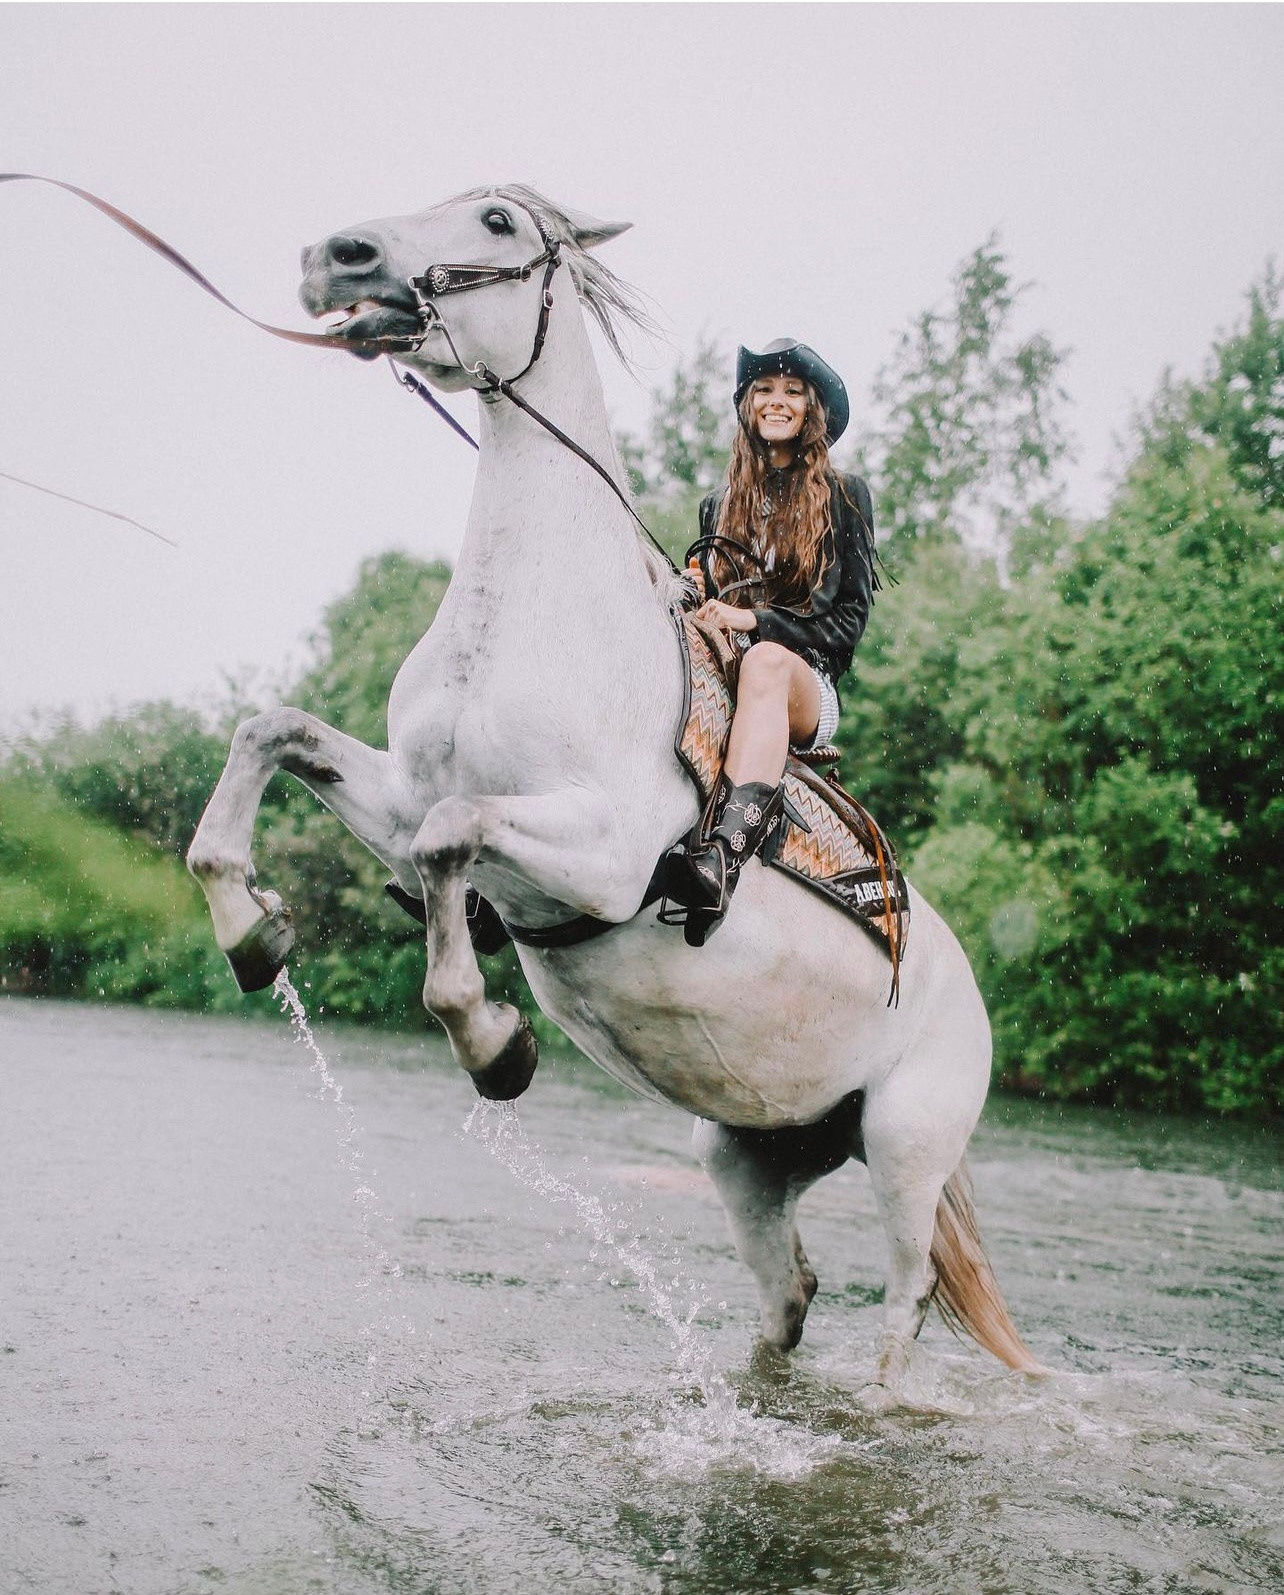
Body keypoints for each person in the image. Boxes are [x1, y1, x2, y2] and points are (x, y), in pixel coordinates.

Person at [666, 338, 877, 945]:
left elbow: (845, 630)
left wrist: (757, 623)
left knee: (763, 662)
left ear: (811, 410)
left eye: (790, 391)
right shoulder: (719, 506)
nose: (775, 401)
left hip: (803, 685)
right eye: (763, 390)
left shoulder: (845, 497)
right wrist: (691, 596)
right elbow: (709, 596)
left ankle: (721, 859)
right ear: (746, 406)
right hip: (726, 672)